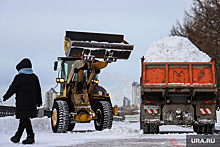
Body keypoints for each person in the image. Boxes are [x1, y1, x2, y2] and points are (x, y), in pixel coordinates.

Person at [3, 58, 42, 144]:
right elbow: (38, 90)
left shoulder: (19, 77)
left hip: (22, 103)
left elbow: (12, 88)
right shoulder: (34, 77)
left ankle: (30, 136)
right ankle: (17, 136)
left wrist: (6, 96)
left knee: (24, 118)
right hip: (32, 103)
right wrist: (39, 101)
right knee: (24, 118)